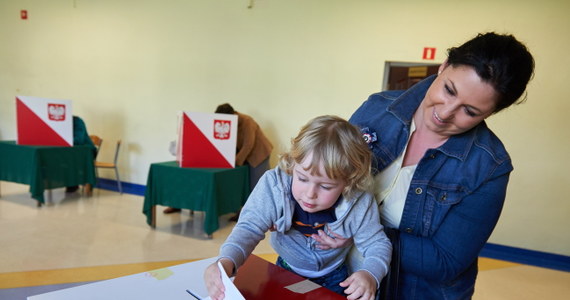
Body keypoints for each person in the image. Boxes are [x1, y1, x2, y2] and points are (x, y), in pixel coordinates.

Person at [314, 32, 535, 299]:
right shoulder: (377, 108)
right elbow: (331, 175)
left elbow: (446, 260)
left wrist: (359, 234)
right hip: (336, 276)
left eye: (470, 111)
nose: (445, 112)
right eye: (448, 90)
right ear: (442, 66)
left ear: (491, 113)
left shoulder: (488, 166)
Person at [203, 115, 392, 300]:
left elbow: (377, 244)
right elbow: (249, 227)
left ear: (349, 182)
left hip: (335, 277)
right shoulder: (274, 185)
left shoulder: (359, 200)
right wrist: (226, 261)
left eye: (325, 186)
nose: (310, 194)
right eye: (301, 178)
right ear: (292, 164)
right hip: (286, 270)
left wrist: (370, 274)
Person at [163, 103, 273, 215]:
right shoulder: (230, 121)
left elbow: (248, 145)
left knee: (256, 185)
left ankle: (258, 214)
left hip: (259, 154)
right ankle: (242, 212)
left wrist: (235, 161)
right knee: (242, 184)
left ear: (233, 114)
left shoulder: (247, 121)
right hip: (245, 154)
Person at [66, 116, 97, 193]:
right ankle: (71, 183)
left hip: (87, 151)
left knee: (70, 160)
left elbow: (79, 139)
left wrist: (63, 140)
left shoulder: (78, 121)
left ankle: (74, 183)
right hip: (71, 151)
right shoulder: (59, 122)